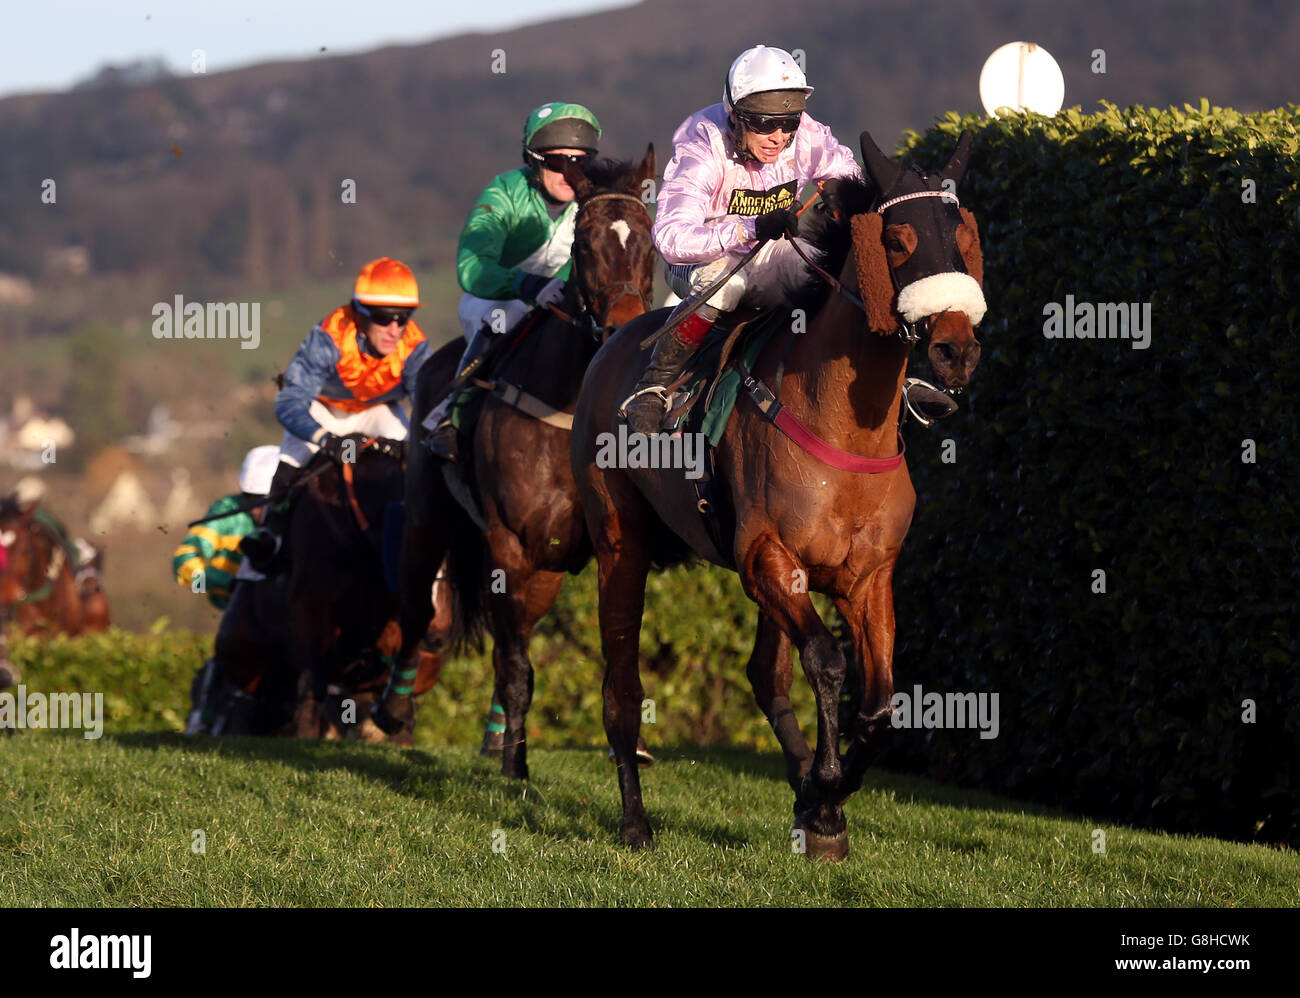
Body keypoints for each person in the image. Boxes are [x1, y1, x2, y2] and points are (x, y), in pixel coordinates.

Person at [622, 44, 952, 433]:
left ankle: (895, 378)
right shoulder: (701, 145)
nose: (778, 136)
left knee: (840, 271)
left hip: (769, 250)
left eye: (788, 123)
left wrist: (841, 191)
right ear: (735, 117)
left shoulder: (805, 135)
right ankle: (654, 385)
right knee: (724, 288)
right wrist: (750, 228)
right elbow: (671, 238)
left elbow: (848, 173)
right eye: (763, 124)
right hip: (697, 259)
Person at [424, 102, 602, 461]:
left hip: (562, 303)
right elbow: (472, 265)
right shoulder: (504, 192)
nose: (571, 174)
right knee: (508, 313)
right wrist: (527, 286)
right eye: (558, 163)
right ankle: (452, 411)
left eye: (580, 162)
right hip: (496, 298)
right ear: (535, 160)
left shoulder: (595, 200)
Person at [239, 258, 431, 571]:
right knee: (295, 451)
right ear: (361, 313)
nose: (395, 329)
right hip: (324, 408)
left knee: (415, 451)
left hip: (376, 410)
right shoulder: (330, 335)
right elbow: (288, 403)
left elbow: (429, 403)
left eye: (404, 317)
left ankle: (420, 532)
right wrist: (327, 440)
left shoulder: (414, 344)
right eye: (385, 317)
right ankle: (270, 534)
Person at [173, 444, 279, 609]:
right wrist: (228, 584)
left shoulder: (297, 513)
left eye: (262, 500)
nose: (255, 508)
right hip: (238, 611)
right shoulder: (227, 512)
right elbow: (181, 567)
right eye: (249, 498)